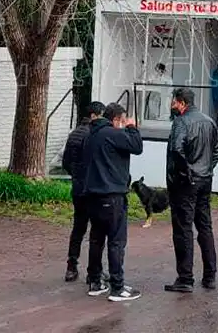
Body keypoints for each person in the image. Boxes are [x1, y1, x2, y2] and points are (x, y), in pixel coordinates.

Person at [82, 102, 144, 301]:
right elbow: (137, 146)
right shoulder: (112, 133)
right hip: (112, 195)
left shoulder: (91, 135)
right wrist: (133, 127)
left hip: (93, 195)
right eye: (123, 121)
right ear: (116, 119)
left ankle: (95, 281)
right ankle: (117, 287)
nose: (123, 124)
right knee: (116, 242)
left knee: (96, 239)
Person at [164, 88, 218, 293]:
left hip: (185, 184)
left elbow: (177, 150)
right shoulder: (209, 121)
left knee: (183, 228)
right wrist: (205, 170)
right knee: (205, 226)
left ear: (180, 103)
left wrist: (186, 173)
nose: (172, 104)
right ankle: (210, 275)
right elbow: (216, 152)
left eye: (174, 101)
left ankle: (185, 277)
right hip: (205, 180)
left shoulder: (181, 122)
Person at [61, 101, 105, 282]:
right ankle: (95, 271)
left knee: (78, 228)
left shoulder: (74, 134)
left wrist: (76, 176)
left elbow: (65, 163)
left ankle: (72, 266)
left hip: (78, 188)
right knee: (97, 230)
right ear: (96, 115)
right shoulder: (94, 135)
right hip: (92, 190)